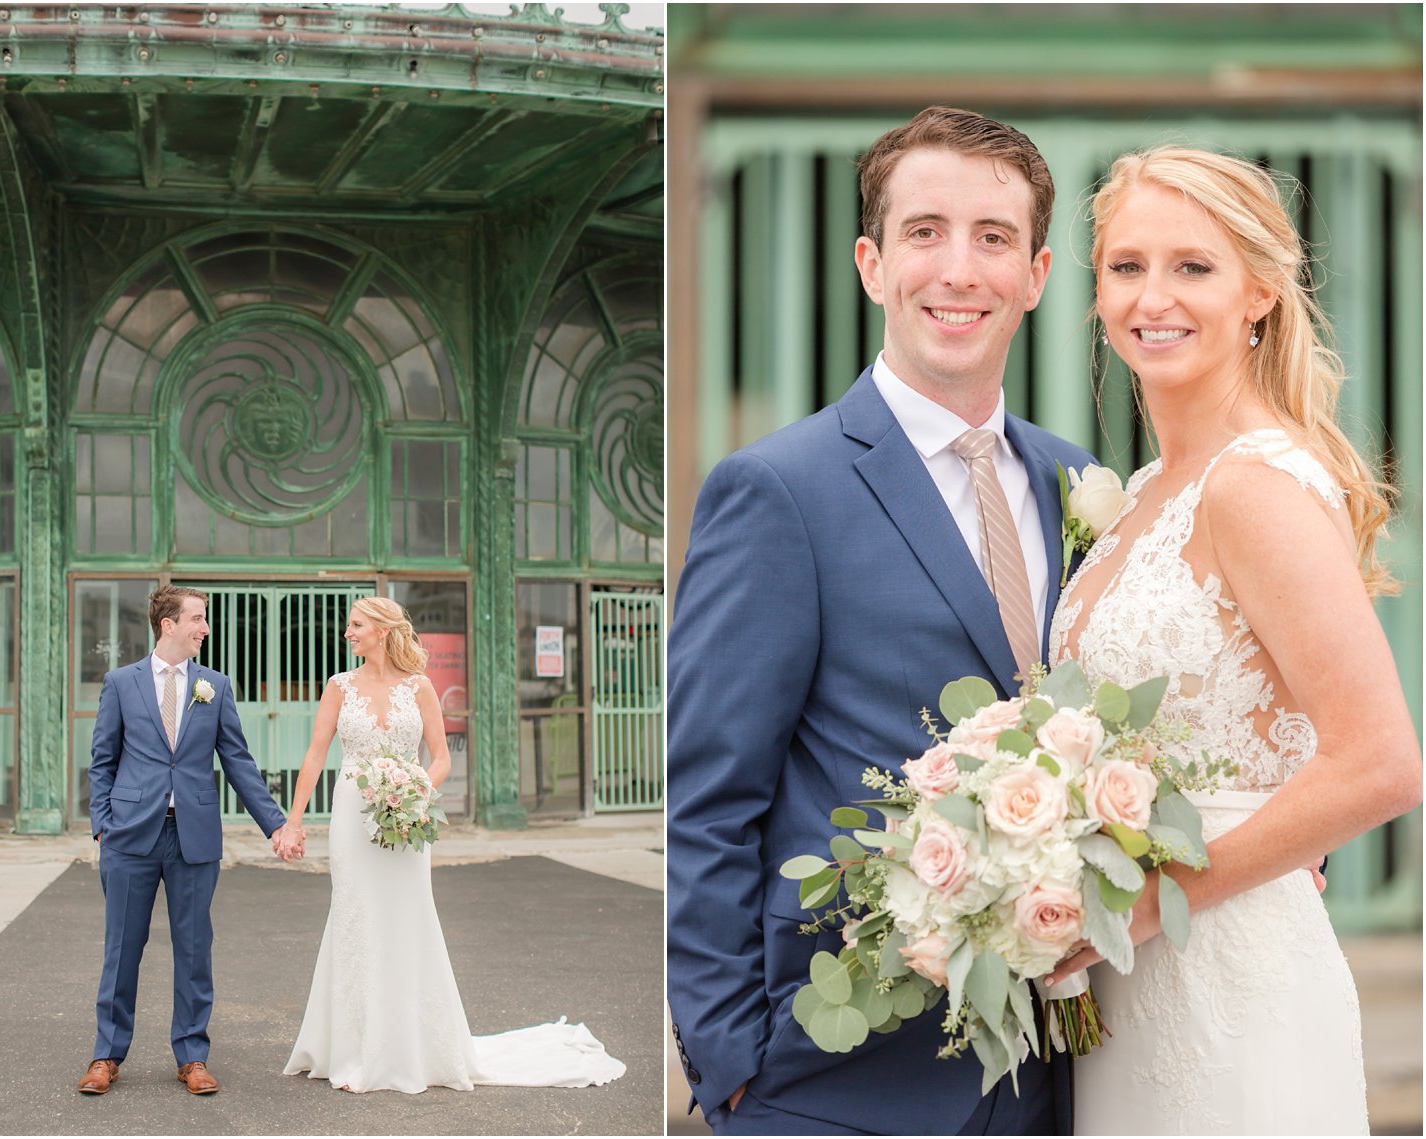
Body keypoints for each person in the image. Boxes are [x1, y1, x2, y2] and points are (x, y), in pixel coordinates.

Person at [667, 107, 1095, 1135]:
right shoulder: (775, 488)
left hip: (1050, 1072)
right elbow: (709, 797)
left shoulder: (1075, 481)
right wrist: (732, 1061)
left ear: (1033, 275)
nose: (958, 270)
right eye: (923, 232)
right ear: (870, 263)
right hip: (832, 1070)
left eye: (992, 238)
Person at [1040, 145, 1422, 1135]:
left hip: (1223, 981)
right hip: (1122, 983)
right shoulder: (1134, 500)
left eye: (1190, 266)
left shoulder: (1254, 485)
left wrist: (1139, 902)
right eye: (1125, 266)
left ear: (1256, 291)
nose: (1149, 296)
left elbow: (1381, 762)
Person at [281, 596, 625, 1094]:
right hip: (352, 817)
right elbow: (315, 757)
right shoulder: (339, 688)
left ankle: (411, 1045)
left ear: (381, 630)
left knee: (407, 917)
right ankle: (353, 1048)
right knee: (355, 916)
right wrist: (294, 822)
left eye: (355, 625)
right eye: (348, 626)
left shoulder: (420, 688)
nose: (347, 633)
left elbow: (440, 759)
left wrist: (411, 792)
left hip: (405, 816)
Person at [81, 584, 298, 1097]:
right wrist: (102, 824)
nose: (205, 627)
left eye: (204, 619)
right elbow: (103, 760)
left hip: (194, 837)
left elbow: (239, 762)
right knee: (122, 949)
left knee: (195, 949)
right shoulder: (121, 682)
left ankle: (192, 1056)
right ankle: (106, 1056)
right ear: (168, 624)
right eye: (198, 618)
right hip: (130, 837)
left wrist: (277, 824)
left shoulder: (214, 686)